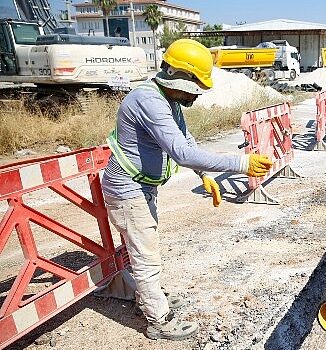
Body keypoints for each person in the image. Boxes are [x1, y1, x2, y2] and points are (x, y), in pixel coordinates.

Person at [101, 38, 273, 341]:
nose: (199, 94)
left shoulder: (168, 100)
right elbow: (180, 152)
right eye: (197, 87)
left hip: (141, 188)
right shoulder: (150, 102)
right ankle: (158, 318)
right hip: (128, 189)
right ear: (180, 77)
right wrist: (241, 163)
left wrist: (204, 175)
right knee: (145, 254)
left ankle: (150, 296)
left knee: (145, 246)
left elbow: (187, 141)